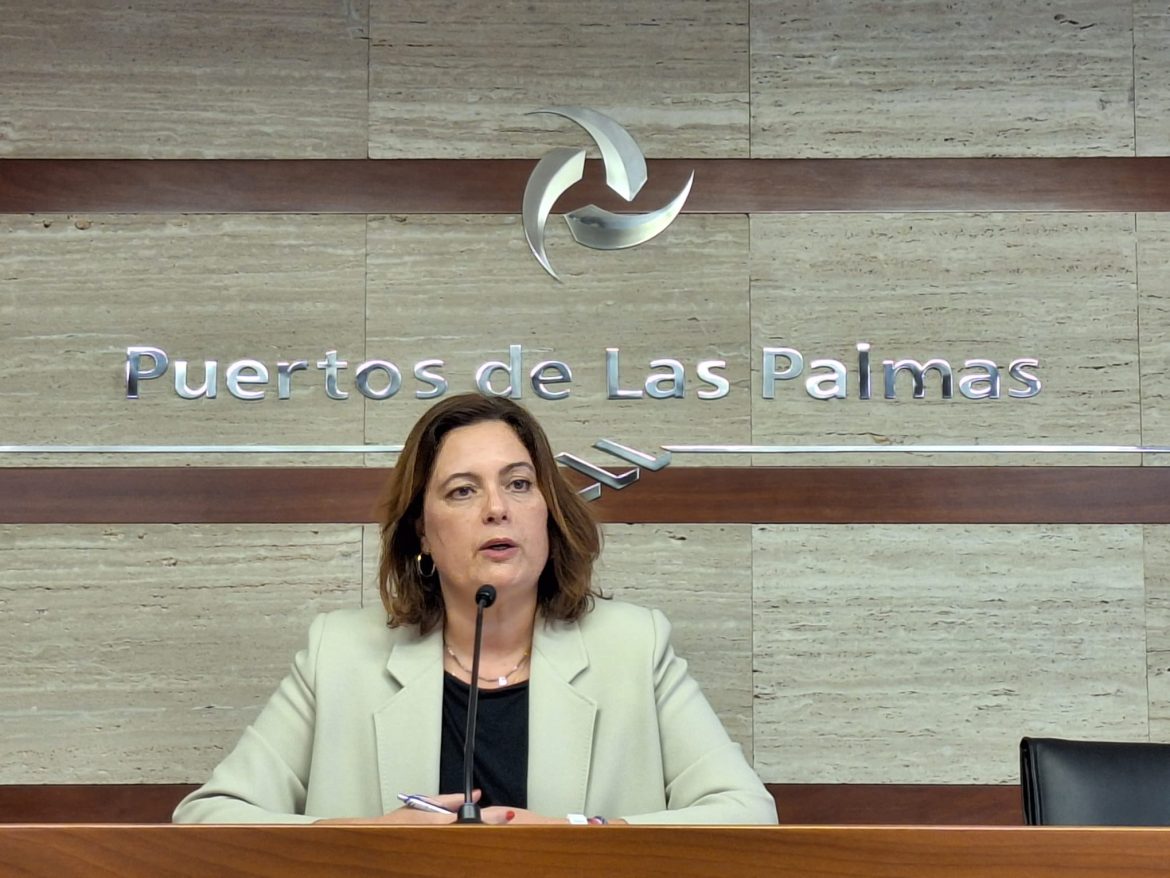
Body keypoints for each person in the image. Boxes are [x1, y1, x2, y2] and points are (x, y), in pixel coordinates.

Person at [173, 392, 777, 825]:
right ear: (422, 533)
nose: (497, 508)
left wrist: (584, 839)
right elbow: (210, 817)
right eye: (463, 491)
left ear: (548, 511)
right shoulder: (339, 654)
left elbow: (746, 813)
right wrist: (363, 836)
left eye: (518, 483)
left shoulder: (633, 645)